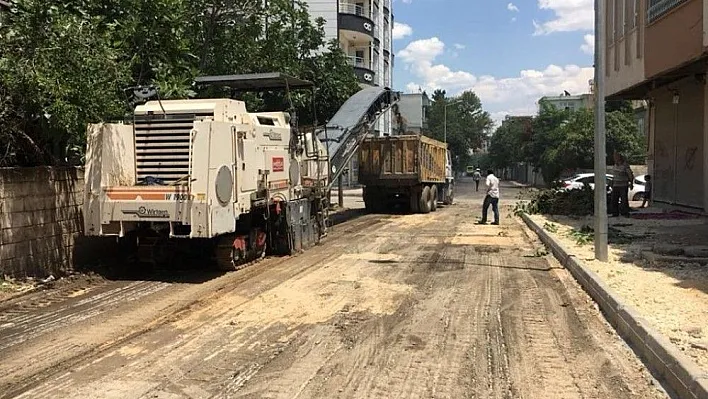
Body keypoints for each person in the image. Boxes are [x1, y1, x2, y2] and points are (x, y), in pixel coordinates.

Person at [610, 152, 634, 217]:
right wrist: (612, 183)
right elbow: (614, 175)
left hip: (623, 185)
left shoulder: (625, 165)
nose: (615, 158)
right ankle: (615, 213)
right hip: (615, 185)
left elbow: (630, 174)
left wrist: (631, 183)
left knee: (624, 200)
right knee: (614, 200)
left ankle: (625, 213)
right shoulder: (615, 165)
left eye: (616, 157)